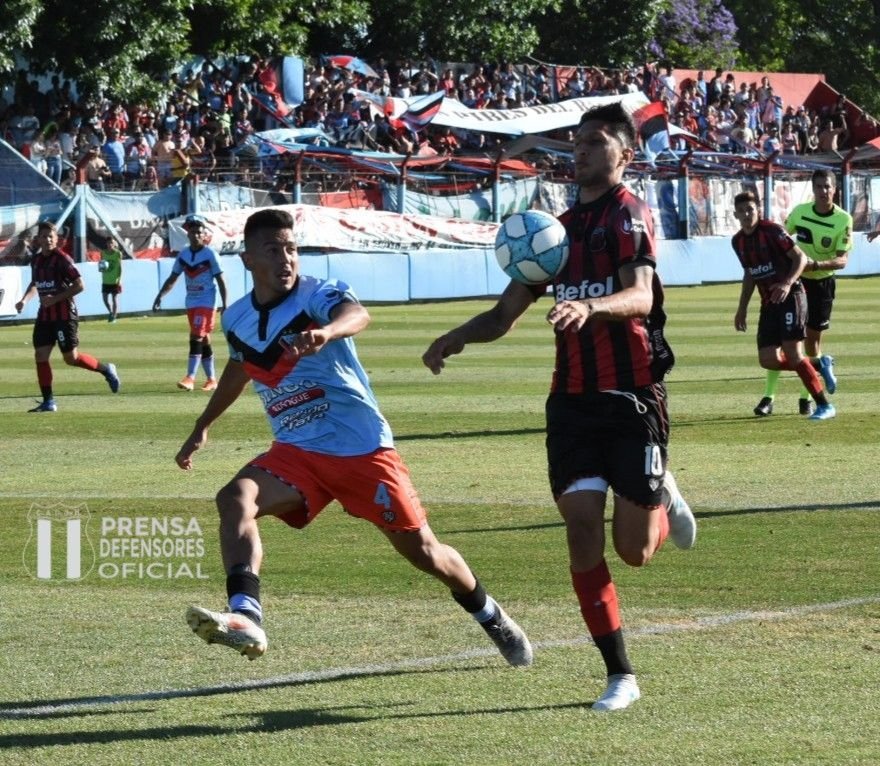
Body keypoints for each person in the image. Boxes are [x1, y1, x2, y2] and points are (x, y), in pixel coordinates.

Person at [422, 102, 696, 712]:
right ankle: (620, 674)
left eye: (595, 141)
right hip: (571, 402)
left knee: (634, 553)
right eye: (577, 143)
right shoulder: (554, 232)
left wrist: (589, 306)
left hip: (631, 397)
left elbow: (641, 296)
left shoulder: (629, 214)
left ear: (624, 153)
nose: (582, 151)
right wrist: (456, 336)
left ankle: (662, 494)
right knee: (580, 531)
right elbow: (504, 314)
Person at [176, 207, 532, 668]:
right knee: (234, 498)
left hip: (361, 450)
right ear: (248, 260)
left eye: (291, 249)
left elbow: (356, 314)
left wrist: (326, 332)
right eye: (273, 250)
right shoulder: (237, 318)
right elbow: (241, 367)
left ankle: (490, 614)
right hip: (297, 452)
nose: (286, 259)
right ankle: (246, 614)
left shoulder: (315, 294)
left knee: (425, 553)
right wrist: (202, 425)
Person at [753, 169, 850, 416]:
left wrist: (815, 264)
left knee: (811, 343)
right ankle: (768, 397)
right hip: (795, 282)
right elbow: (781, 238)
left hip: (822, 285)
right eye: (818, 186)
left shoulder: (843, 219)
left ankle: (806, 397)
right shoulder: (800, 212)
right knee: (780, 341)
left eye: (827, 186)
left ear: (835, 189)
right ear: (813, 189)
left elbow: (842, 260)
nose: (823, 191)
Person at [731, 191, 835, 421]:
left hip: (791, 297)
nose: (747, 214)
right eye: (742, 211)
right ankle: (818, 364)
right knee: (767, 359)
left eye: (750, 209)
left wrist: (787, 283)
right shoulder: (737, 241)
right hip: (769, 303)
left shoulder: (773, 231)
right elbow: (749, 274)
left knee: (793, 354)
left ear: (758, 209)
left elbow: (800, 258)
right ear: (735, 214)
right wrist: (742, 308)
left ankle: (824, 405)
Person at [14, 221, 120, 412]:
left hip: (64, 316)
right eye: (44, 236)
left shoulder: (62, 259)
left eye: (51, 237)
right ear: (38, 239)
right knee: (40, 355)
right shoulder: (36, 260)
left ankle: (106, 369)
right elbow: (35, 283)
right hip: (45, 316)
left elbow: (80, 285)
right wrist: (24, 300)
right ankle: (49, 401)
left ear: (57, 240)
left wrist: (54, 299)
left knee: (71, 358)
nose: (47, 240)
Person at [152, 214, 227, 391]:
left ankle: (190, 378)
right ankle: (212, 380)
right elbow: (173, 277)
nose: (196, 235)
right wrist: (160, 295)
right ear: (188, 234)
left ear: (204, 235)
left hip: (206, 301)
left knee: (196, 336)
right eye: (193, 232)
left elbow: (221, 280)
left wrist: (225, 304)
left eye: (199, 232)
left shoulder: (210, 254)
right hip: (191, 302)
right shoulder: (184, 255)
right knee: (203, 338)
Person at [99, 236, 123, 322]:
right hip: (105, 280)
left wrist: (119, 279)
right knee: (105, 299)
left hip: (114, 280)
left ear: (114, 244)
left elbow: (120, 267)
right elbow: (101, 265)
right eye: (108, 243)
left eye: (111, 243)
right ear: (106, 243)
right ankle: (111, 313)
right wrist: (101, 267)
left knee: (114, 299)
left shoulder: (118, 253)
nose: (110, 244)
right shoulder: (103, 253)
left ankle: (114, 318)